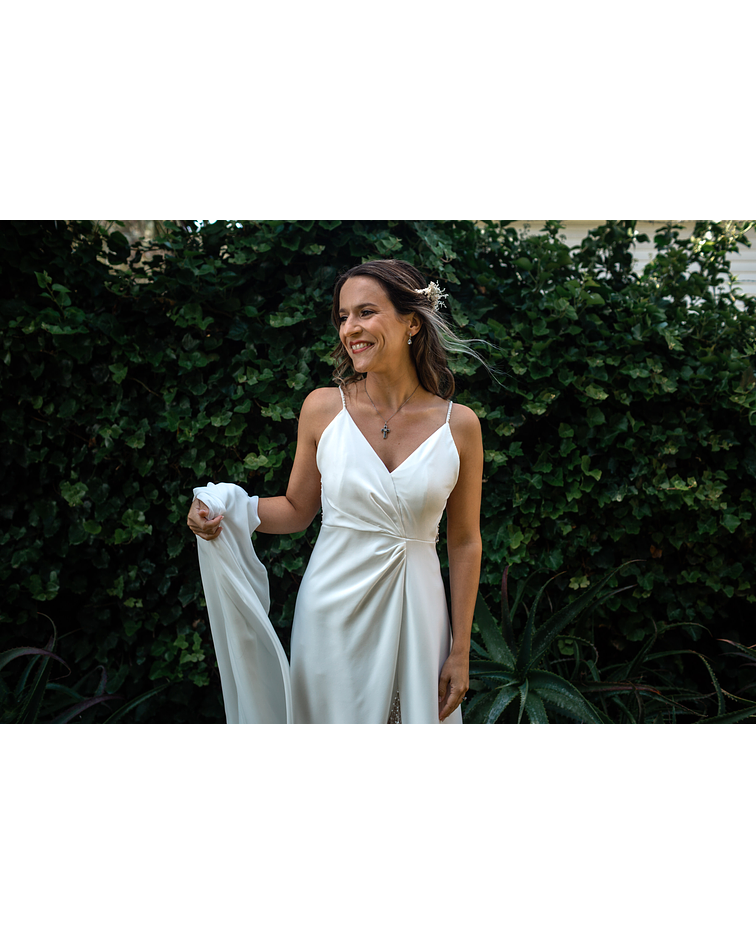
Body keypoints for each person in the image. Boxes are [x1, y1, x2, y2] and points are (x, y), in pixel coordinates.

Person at [187, 259, 483, 723]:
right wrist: (223, 505)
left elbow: (464, 541)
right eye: (343, 317)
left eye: (366, 312)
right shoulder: (323, 409)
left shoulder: (459, 425)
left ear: (411, 322)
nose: (350, 328)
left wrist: (460, 649)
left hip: (420, 617)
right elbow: (296, 509)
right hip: (330, 616)